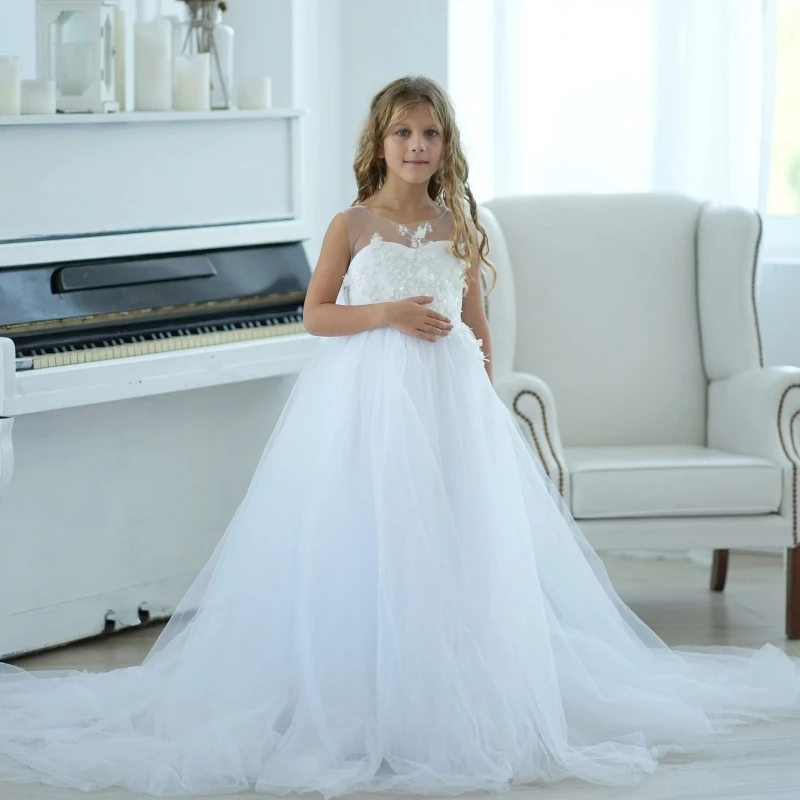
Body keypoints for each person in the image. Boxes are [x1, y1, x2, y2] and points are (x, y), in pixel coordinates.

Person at [0, 74, 799, 800]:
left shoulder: (460, 227)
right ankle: (358, 697)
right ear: (378, 144)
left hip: (445, 407)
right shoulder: (353, 224)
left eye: (431, 135)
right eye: (403, 134)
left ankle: (446, 692)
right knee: (368, 537)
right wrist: (384, 311)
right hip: (365, 406)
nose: (418, 147)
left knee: (446, 546)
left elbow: (480, 334)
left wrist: (478, 423)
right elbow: (315, 315)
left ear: (446, 147)